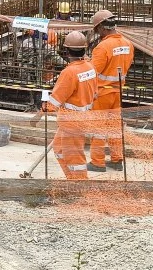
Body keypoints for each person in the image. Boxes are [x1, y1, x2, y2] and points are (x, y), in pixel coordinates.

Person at [45, 30, 97, 180]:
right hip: (80, 117)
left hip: (72, 121)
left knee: (74, 156)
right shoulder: (90, 67)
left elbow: (55, 101)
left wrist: (44, 107)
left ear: (66, 51)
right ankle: (72, 179)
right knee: (59, 149)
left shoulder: (69, 72)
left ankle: (79, 187)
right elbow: (95, 93)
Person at [88, 9, 134, 172]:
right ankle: (117, 159)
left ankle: (97, 162)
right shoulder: (128, 44)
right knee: (114, 129)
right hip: (118, 92)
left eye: (97, 30)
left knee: (99, 129)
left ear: (102, 28)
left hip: (102, 93)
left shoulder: (103, 47)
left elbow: (92, 73)